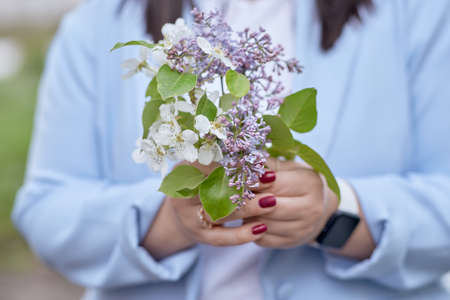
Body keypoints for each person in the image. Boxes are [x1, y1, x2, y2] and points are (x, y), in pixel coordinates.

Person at [12, 0, 450, 299]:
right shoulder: (100, 23)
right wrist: (169, 221)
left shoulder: (417, 16)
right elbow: (47, 211)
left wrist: (335, 213)